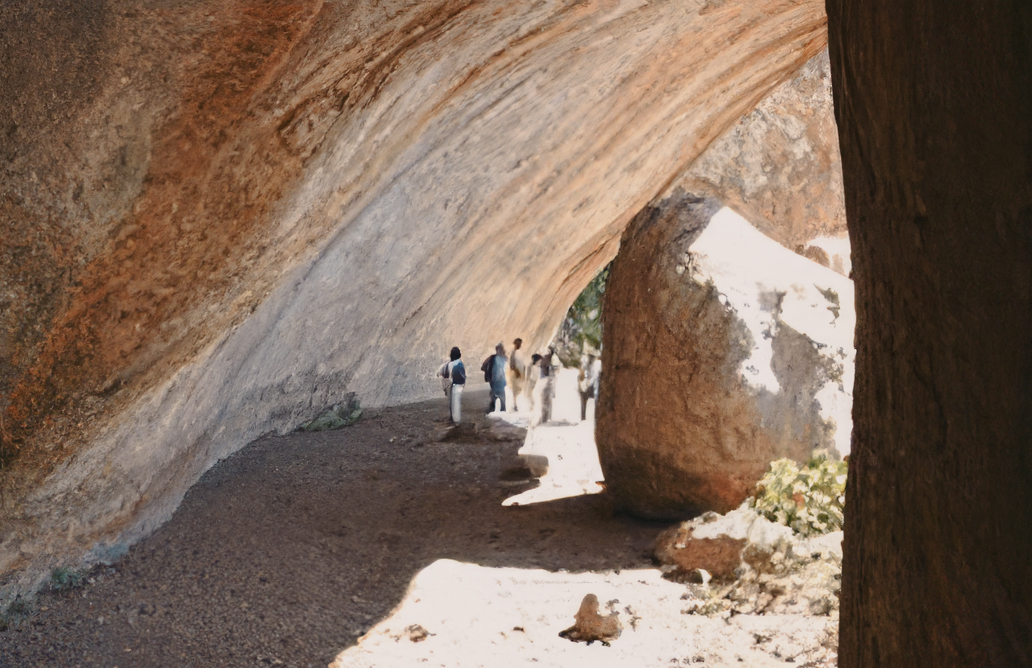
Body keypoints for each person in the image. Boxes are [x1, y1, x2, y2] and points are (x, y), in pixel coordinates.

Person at [438, 347, 466, 424]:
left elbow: (442, 373)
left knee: (452, 402)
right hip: (460, 385)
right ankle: (455, 419)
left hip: (452, 385)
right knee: (456, 402)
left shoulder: (449, 364)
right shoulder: (460, 363)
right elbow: (463, 376)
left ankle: (453, 419)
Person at [482, 342, 508, 413]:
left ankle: (496, 407)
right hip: (499, 380)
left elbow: (483, 367)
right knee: (500, 394)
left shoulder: (492, 358)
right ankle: (500, 407)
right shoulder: (503, 358)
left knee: (496, 394)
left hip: (497, 380)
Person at [578, 351, 602, 421]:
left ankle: (596, 417)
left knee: (597, 394)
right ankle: (583, 416)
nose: (591, 358)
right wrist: (584, 383)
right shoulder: (585, 363)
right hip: (588, 384)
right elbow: (583, 374)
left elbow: (595, 376)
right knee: (582, 394)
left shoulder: (598, 364)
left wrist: (589, 383)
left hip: (595, 383)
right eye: (590, 356)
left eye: (592, 357)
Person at [508, 338, 530, 411]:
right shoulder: (514, 353)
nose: (520, 345)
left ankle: (519, 405)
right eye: (519, 343)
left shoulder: (518, 352)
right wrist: (517, 371)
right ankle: (516, 405)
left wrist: (523, 372)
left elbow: (522, 363)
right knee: (516, 390)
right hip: (516, 373)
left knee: (520, 389)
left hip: (520, 374)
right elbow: (512, 364)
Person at [537, 348, 557, 424]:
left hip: (546, 381)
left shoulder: (547, 360)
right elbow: (546, 372)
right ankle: (544, 418)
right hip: (545, 381)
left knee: (546, 401)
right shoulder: (546, 360)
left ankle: (546, 417)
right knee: (545, 400)